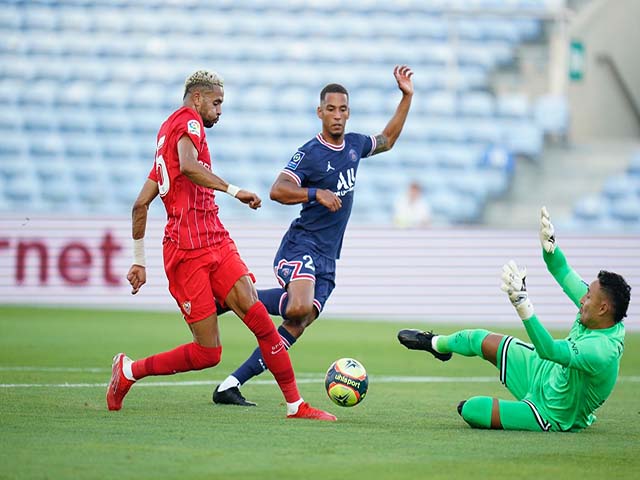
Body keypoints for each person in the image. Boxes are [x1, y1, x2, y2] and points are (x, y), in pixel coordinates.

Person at [106, 69, 336, 421]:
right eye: (216, 103)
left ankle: (295, 405)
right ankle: (129, 372)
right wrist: (234, 190)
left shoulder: (166, 136)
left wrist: (139, 260)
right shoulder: (189, 123)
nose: (219, 111)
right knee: (207, 353)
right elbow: (187, 166)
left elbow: (141, 204)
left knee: (259, 318)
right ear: (197, 98)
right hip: (186, 252)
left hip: (215, 240)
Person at [213, 65, 414, 406]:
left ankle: (230, 385)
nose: (337, 116)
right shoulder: (310, 153)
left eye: (343, 109)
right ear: (319, 112)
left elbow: (387, 140)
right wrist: (313, 193)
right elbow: (278, 190)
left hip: (327, 257)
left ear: (349, 113)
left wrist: (406, 96)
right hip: (300, 245)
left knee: (299, 320)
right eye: (331, 109)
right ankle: (232, 297)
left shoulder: (354, 146)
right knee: (300, 306)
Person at [397, 207, 630, 431]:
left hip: (552, 412)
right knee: (477, 338)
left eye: (588, 297)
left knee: (472, 409)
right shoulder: (599, 313)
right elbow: (560, 269)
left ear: (603, 308)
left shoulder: (601, 350)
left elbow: (549, 349)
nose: (582, 299)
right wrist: (551, 248)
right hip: (543, 369)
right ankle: (436, 344)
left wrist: (523, 306)